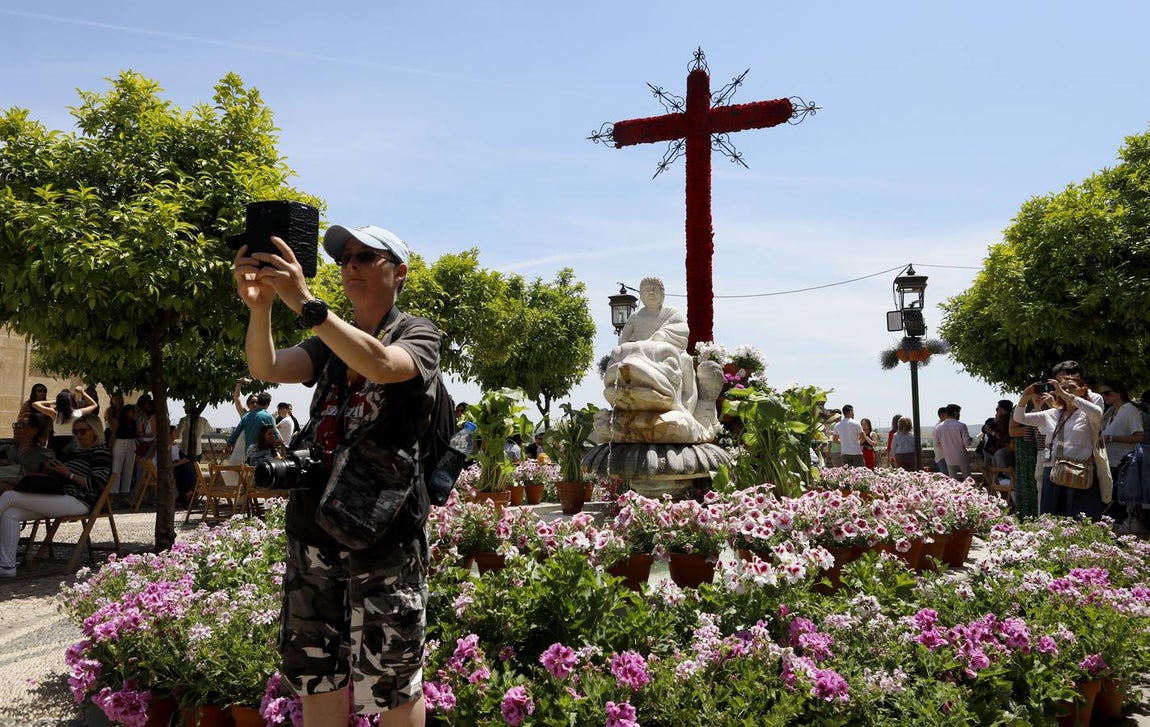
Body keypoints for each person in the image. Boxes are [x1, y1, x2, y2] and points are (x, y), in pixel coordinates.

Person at [234, 221, 440, 725]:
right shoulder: (329, 343)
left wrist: (308, 305)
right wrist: (260, 307)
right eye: (346, 257)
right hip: (314, 530)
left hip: (382, 537)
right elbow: (266, 367)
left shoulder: (419, 333)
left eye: (368, 257)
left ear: (400, 273)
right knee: (316, 672)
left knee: (392, 682)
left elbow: (383, 365)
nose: (351, 265)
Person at [598, 276, 723, 443]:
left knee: (685, 360)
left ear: (663, 294)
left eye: (655, 289)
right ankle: (622, 406)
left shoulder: (670, 313)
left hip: (664, 353)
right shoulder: (635, 317)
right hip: (640, 357)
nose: (651, 292)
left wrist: (661, 335)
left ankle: (685, 405)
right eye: (647, 289)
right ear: (641, 295)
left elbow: (681, 329)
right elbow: (624, 338)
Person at [0, 413, 111, 578]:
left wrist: (68, 474)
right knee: (11, 514)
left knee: (9, 497)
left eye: (82, 431)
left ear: (95, 431)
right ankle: (7, 567)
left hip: (79, 499)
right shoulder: (76, 452)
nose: (78, 435)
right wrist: (53, 469)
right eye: (75, 432)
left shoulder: (100, 452)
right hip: (61, 495)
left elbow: (98, 485)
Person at [1013, 361, 1105, 520]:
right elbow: (1019, 418)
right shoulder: (1053, 413)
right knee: (1052, 517)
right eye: (1062, 387)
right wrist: (1025, 396)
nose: (1065, 390)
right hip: (1054, 470)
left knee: (1080, 519)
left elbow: (1097, 412)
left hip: (1080, 469)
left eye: (1071, 387)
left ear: (1083, 390)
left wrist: (1065, 394)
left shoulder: (1087, 413)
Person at [1098, 382, 1144, 529]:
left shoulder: (1130, 410)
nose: (1104, 396)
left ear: (1118, 393)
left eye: (1107, 393)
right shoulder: (1110, 411)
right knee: (1108, 502)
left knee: (1117, 504)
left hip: (1123, 464)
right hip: (1108, 463)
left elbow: (1139, 437)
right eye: (1102, 394)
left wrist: (1111, 438)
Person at [0, 413, 56, 491]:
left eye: (20, 425)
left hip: (28, 492)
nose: (15, 428)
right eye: (15, 425)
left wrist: (18, 469)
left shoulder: (45, 454)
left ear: (34, 430)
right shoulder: (6, 449)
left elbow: (50, 479)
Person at [106, 399, 138, 504]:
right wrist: (109, 446)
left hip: (131, 443)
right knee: (117, 469)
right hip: (120, 443)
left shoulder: (134, 422)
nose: (134, 413)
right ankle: (113, 494)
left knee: (129, 469)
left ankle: (125, 494)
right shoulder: (118, 420)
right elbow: (114, 433)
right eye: (132, 411)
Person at [33, 386, 98, 433]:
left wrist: (53, 402)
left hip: (58, 442)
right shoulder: (77, 413)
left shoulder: (55, 413)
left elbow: (35, 404)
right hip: (73, 442)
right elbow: (94, 405)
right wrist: (83, 392)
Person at [935, 404, 972, 481]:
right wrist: (970, 439)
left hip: (948, 457)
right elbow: (967, 443)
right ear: (955, 413)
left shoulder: (939, 427)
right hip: (962, 457)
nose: (959, 415)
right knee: (968, 480)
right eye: (958, 413)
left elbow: (936, 444)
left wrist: (945, 451)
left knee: (953, 481)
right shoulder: (961, 426)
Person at [932, 406, 949, 475]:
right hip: (942, 456)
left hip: (944, 455)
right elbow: (938, 442)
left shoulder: (939, 426)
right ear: (942, 415)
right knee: (945, 475)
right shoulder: (938, 427)